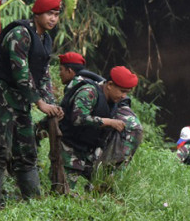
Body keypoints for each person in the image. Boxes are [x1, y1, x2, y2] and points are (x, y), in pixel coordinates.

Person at [0, 0, 63, 209]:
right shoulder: (21, 33)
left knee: (27, 153)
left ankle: (34, 207)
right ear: (37, 13)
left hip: (20, 103)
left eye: (56, 15)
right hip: (1, 98)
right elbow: (21, 72)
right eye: (49, 14)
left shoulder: (45, 39)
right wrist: (40, 103)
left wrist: (51, 103)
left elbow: (43, 74)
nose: (53, 19)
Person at [56, 58, 142, 186]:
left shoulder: (113, 101)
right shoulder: (89, 92)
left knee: (99, 185)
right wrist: (108, 122)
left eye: (127, 92)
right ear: (110, 85)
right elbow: (78, 118)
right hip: (69, 147)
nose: (124, 96)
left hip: (87, 150)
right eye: (122, 91)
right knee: (61, 190)